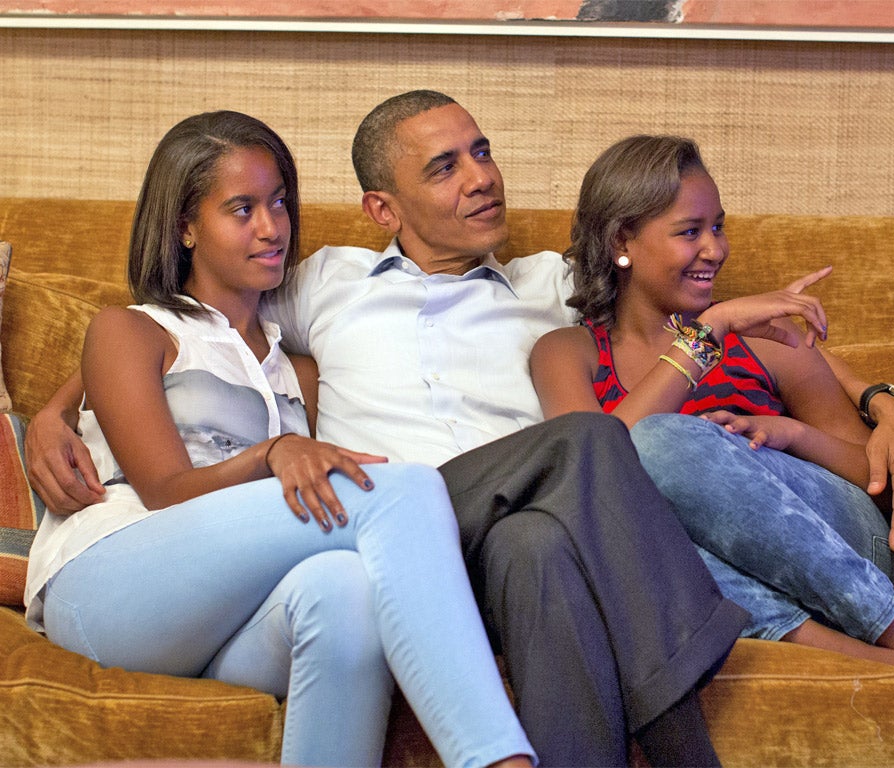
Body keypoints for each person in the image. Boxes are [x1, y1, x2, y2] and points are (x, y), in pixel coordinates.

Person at [26, 91, 894, 766]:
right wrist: (57, 411)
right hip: (393, 519)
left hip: (498, 538)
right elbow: (179, 327)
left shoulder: (548, 286)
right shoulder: (323, 280)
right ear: (384, 208)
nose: (481, 176)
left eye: (480, 152)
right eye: (444, 167)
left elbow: (695, 302)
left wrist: (880, 397)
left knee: (542, 541)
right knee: (585, 443)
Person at [23, 110, 537, 768]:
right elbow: (167, 493)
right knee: (399, 491)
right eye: (241, 209)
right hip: (109, 585)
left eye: (279, 203)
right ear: (185, 226)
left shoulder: (296, 367)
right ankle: (498, 760)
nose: (272, 228)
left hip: (223, 614)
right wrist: (56, 411)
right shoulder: (134, 329)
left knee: (345, 588)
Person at [529, 133, 894, 744]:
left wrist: (793, 433)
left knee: (666, 444)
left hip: (839, 547)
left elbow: (870, 479)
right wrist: (707, 332)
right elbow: (594, 471)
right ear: (622, 240)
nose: (714, 250)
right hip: (696, 569)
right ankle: (868, 661)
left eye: (718, 227)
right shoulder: (566, 352)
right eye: (689, 231)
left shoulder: (766, 339)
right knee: (614, 526)